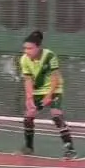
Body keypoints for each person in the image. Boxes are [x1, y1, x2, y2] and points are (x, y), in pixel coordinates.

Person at [19, 30, 76, 159]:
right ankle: (29, 147)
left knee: (56, 115)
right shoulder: (24, 60)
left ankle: (70, 149)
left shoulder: (49, 56)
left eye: (30, 48)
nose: (26, 51)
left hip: (54, 89)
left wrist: (49, 96)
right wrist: (29, 98)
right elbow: (28, 79)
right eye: (25, 48)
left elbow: (55, 77)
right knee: (28, 117)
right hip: (38, 91)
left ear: (38, 47)